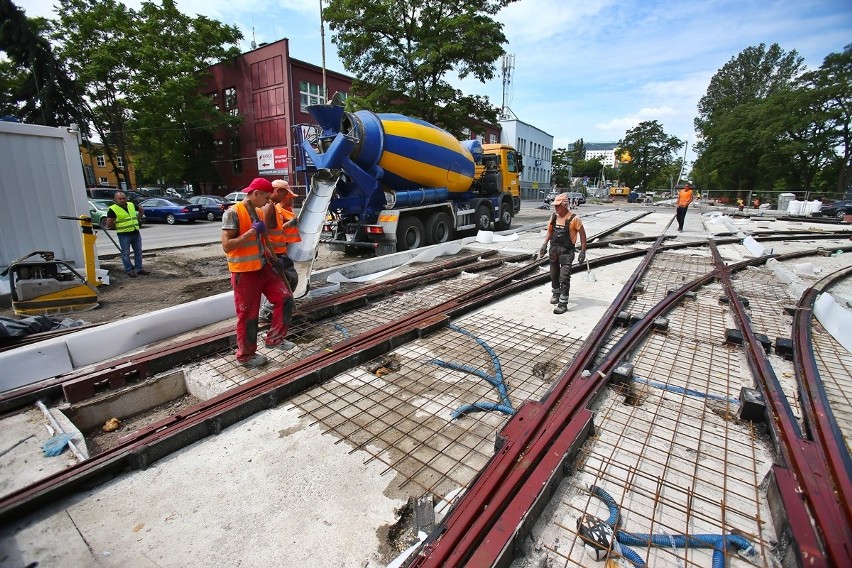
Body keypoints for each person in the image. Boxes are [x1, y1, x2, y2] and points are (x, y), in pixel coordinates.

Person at [221, 177, 294, 368]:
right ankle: (245, 356)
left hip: (263, 268)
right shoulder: (233, 213)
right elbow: (227, 246)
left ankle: (275, 339)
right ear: (256, 194)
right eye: (266, 197)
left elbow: (264, 242)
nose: (268, 201)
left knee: (285, 298)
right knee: (248, 315)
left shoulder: (260, 212)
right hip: (244, 273)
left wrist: (273, 259)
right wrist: (250, 233)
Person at [259, 179, 301, 321]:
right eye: (284, 193)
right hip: (274, 255)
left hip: (279, 253)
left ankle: (270, 310)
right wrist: (270, 256)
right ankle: (268, 311)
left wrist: (289, 224)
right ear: (277, 191)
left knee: (288, 281)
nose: (285, 197)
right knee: (287, 281)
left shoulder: (274, 206)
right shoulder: (269, 207)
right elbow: (263, 233)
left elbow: (274, 230)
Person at [539, 192, 587, 315]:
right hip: (554, 250)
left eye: (558, 205)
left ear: (564, 205)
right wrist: (544, 245)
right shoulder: (554, 217)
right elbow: (550, 232)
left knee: (564, 277)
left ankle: (563, 303)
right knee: (554, 274)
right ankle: (556, 293)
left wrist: (582, 251)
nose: (555, 208)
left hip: (566, 252)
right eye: (555, 205)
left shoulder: (574, 219)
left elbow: (582, 235)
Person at [107, 192, 148, 277]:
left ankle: (139, 269)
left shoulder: (130, 205)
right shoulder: (113, 209)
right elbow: (109, 223)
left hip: (135, 232)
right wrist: (118, 227)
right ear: (116, 200)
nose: (122, 200)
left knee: (138, 252)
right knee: (126, 254)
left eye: (124, 198)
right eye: (120, 198)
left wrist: (138, 219)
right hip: (124, 234)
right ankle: (129, 270)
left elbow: (141, 209)